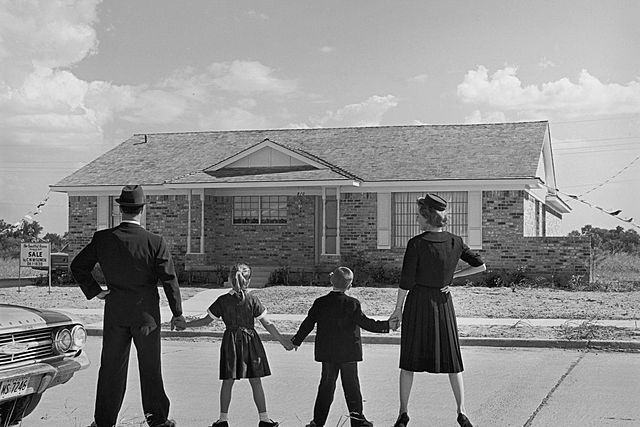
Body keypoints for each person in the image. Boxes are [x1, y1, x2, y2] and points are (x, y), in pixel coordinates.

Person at [70, 185, 185, 427]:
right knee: (150, 368)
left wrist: (95, 291)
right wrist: (177, 313)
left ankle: (104, 421)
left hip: (115, 311)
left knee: (111, 368)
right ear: (142, 210)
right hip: (146, 315)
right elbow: (169, 280)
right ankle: (157, 420)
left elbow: (78, 266)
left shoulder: (103, 239)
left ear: (120, 209)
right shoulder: (155, 242)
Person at [389, 193, 486, 427]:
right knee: (453, 360)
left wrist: (397, 310)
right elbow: (480, 265)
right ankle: (462, 412)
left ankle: (403, 414)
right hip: (443, 303)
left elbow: (406, 281)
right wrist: (452, 277)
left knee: (408, 361)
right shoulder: (456, 242)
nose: (416, 220)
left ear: (427, 217)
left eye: (418, 216)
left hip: (417, 303)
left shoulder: (416, 244)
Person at [184, 263, 293, 427]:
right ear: (248, 281)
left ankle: (223, 420)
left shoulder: (222, 300)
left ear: (230, 279)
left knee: (228, 381)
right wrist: (283, 341)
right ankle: (264, 419)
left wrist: (185, 325)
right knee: (256, 381)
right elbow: (267, 323)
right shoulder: (252, 299)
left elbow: (206, 321)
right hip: (251, 341)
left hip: (231, 342)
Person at [291, 266, 400, 427]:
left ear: (331, 281)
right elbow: (366, 323)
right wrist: (387, 326)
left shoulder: (320, 303)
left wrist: (296, 341)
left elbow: (308, 323)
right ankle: (358, 421)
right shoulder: (352, 304)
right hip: (349, 353)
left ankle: (317, 422)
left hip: (328, 353)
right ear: (349, 285)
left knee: (326, 387)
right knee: (352, 388)